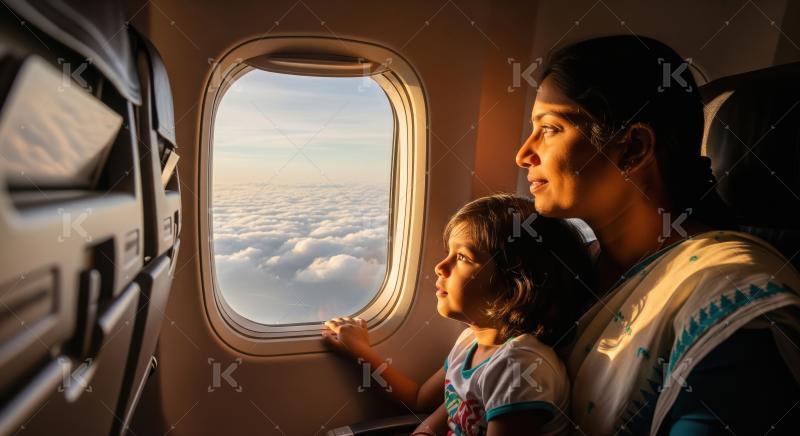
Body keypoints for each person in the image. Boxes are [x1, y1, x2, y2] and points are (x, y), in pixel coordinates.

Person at [515, 35, 800, 434]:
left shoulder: (729, 300)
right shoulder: (578, 268)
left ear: (633, 147)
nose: (524, 153)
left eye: (549, 128)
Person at [323, 194, 593, 435]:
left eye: (463, 257)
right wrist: (359, 351)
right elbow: (421, 400)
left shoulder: (518, 368)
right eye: (448, 253)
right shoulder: (469, 343)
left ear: (515, 285)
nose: (441, 266)